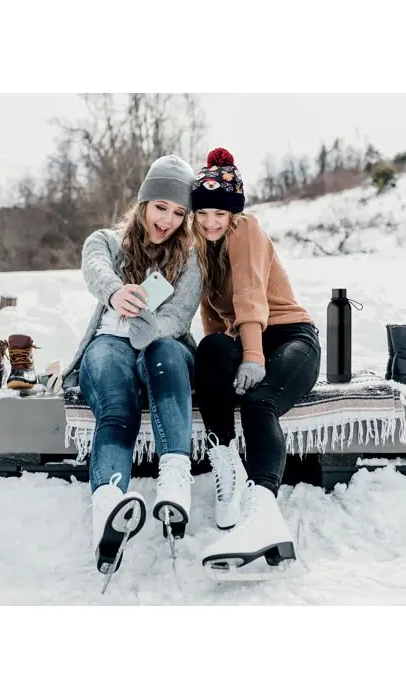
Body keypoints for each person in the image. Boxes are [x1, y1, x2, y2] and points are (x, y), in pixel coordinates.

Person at [61, 154, 202, 576]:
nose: (167, 220)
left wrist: (144, 327)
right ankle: (108, 509)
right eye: (161, 207)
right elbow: (94, 268)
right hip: (109, 344)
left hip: (162, 345)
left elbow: (178, 317)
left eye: (179, 212)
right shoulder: (106, 240)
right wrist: (116, 293)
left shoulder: (190, 258)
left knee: (165, 354)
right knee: (116, 406)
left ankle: (174, 483)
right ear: (143, 204)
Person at [190, 147, 322, 577]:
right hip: (243, 334)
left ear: (233, 213)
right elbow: (210, 314)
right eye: (203, 213)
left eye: (219, 213)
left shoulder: (246, 229)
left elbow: (249, 294)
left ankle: (262, 509)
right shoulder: (199, 244)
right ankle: (226, 463)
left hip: (289, 335)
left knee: (258, 402)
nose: (211, 221)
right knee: (210, 347)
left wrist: (252, 355)